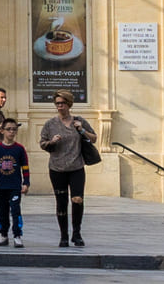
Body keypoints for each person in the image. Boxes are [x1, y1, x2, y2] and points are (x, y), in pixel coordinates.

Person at [39, 92, 97, 248]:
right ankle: (64, 235)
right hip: (57, 168)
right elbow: (42, 144)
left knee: (77, 199)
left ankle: (76, 233)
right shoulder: (50, 124)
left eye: (62, 103)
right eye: (57, 103)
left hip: (76, 167)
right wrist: (52, 141)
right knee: (61, 202)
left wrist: (82, 130)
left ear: (69, 104)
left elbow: (94, 138)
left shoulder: (79, 121)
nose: (59, 106)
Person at [0, 117, 30, 248]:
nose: (11, 132)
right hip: (1, 186)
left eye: (14, 129)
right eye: (9, 129)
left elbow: (25, 167)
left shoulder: (20, 149)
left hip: (15, 186)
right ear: (2, 131)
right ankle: (3, 234)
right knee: (2, 211)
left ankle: (17, 235)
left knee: (15, 210)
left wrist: (26, 183)